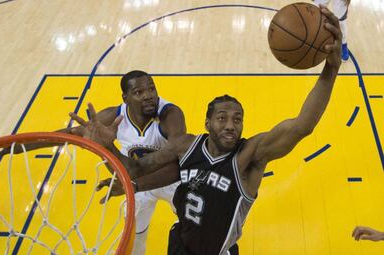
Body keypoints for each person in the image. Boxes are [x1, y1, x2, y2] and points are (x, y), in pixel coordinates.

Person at [71, 7, 342, 255]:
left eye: (237, 119)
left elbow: (303, 125)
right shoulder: (185, 146)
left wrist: (331, 68)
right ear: (207, 124)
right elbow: (134, 169)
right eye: (222, 118)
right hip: (179, 246)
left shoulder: (248, 158)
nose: (230, 125)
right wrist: (107, 147)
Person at [0, 70, 187, 255]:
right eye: (139, 92)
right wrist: (17, 145)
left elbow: (177, 164)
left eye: (152, 89)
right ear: (125, 98)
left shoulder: (171, 115)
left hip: (170, 181)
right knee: (136, 234)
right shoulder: (112, 117)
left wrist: (134, 183)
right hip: (136, 185)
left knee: (195, 227)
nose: (148, 96)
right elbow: (67, 134)